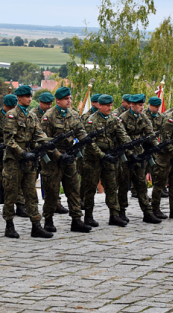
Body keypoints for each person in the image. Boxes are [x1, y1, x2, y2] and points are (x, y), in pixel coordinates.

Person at [2, 85, 54, 238]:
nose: (29, 99)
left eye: (30, 96)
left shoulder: (32, 116)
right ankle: (9, 225)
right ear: (18, 98)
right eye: (26, 96)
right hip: (14, 162)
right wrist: (23, 153)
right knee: (11, 194)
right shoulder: (11, 115)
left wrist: (49, 143)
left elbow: (39, 134)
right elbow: (9, 140)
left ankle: (36, 225)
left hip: (30, 161)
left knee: (31, 195)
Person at [39, 86, 93, 233]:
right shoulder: (48, 116)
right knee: (52, 190)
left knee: (74, 188)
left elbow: (80, 131)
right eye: (66, 99)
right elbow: (44, 140)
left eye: (70, 98)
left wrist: (85, 141)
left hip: (69, 156)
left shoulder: (74, 115)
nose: (69, 101)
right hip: (53, 159)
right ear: (58, 100)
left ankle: (76, 219)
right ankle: (48, 220)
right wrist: (59, 156)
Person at [82, 94, 133, 227]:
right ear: (99, 106)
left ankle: (114, 215)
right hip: (93, 159)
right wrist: (102, 155)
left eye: (111, 105)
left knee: (111, 186)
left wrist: (129, 146)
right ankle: (88, 216)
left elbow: (122, 134)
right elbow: (90, 143)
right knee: (90, 188)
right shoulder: (91, 121)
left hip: (109, 158)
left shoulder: (114, 119)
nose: (110, 108)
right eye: (107, 106)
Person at [118, 94, 162, 223]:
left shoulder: (143, 117)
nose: (142, 107)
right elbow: (121, 138)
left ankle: (147, 212)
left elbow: (150, 134)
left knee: (142, 184)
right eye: (139, 105)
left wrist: (157, 147)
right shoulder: (123, 118)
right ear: (132, 105)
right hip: (126, 157)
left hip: (139, 155)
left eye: (143, 105)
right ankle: (121, 211)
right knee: (124, 185)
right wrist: (131, 154)